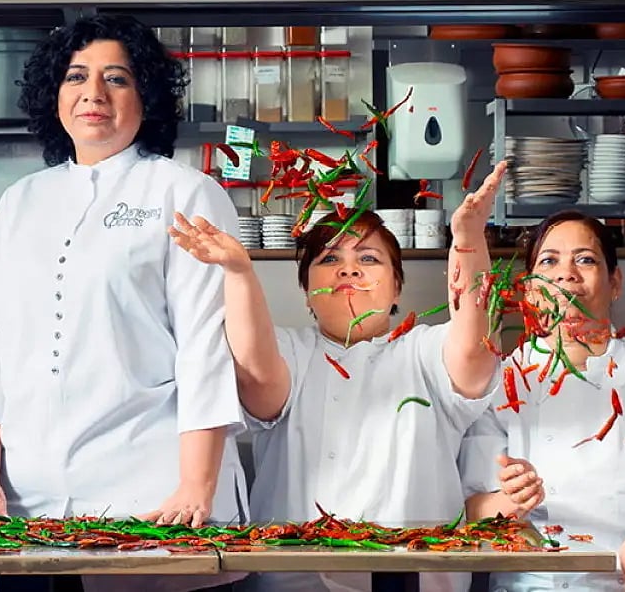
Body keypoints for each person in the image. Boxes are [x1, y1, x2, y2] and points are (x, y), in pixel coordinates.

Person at [0, 14, 247, 592]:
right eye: (76, 76)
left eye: (117, 79)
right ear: (53, 94)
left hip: (154, 490)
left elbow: (205, 350)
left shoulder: (183, 193)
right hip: (29, 498)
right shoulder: (20, 201)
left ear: (146, 95)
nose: (93, 94)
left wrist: (196, 485)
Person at [170, 161, 507, 592]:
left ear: (396, 288)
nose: (349, 270)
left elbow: (471, 340)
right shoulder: (293, 350)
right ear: (307, 290)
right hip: (292, 580)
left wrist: (468, 240)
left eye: (368, 258)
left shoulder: (423, 351)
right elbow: (258, 377)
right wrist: (240, 272)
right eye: (330, 259)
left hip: (411, 580)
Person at [459, 210, 625, 592]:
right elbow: (473, 512)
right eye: (549, 261)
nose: (566, 273)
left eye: (585, 259)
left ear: (615, 282)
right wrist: (509, 500)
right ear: (530, 288)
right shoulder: (502, 379)